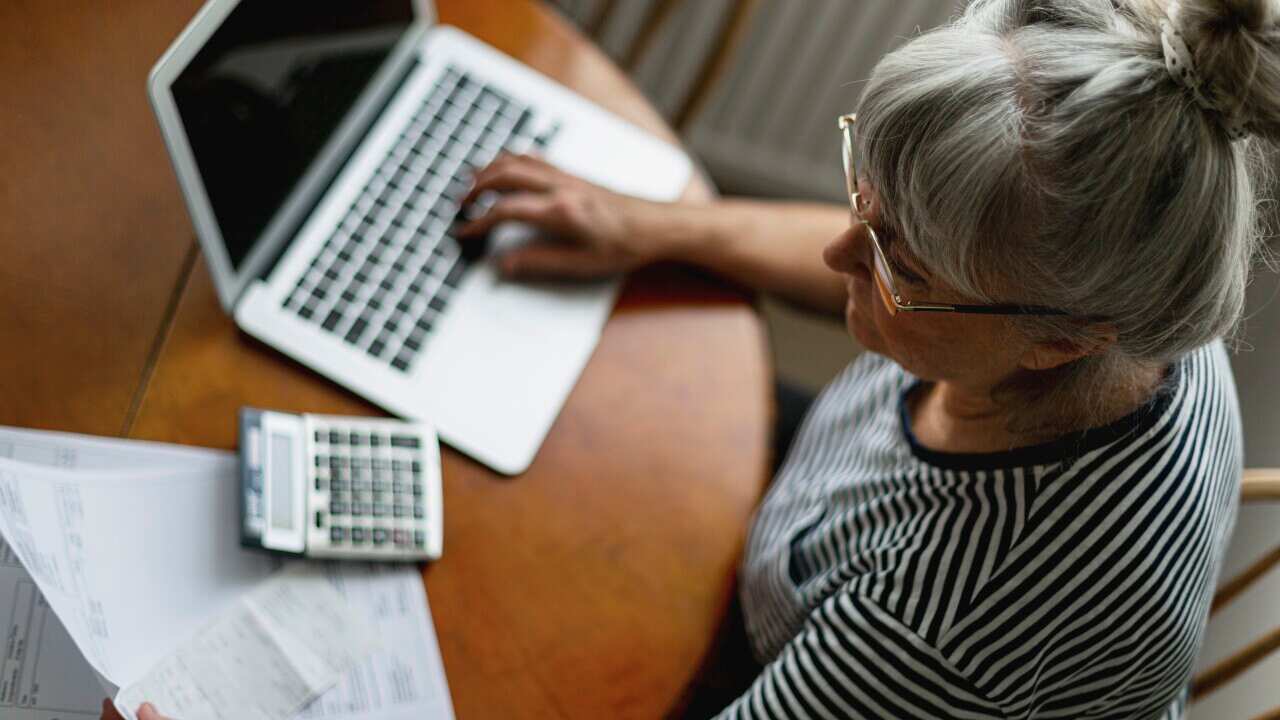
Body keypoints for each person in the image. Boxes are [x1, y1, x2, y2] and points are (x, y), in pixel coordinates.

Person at [107, 0, 1275, 717]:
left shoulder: (953, 634)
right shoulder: (1146, 270)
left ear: (1058, 339)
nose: (833, 252)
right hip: (815, 518)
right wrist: (646, 224)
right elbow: (877, 250)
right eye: (858, 196)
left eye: (895, 263)